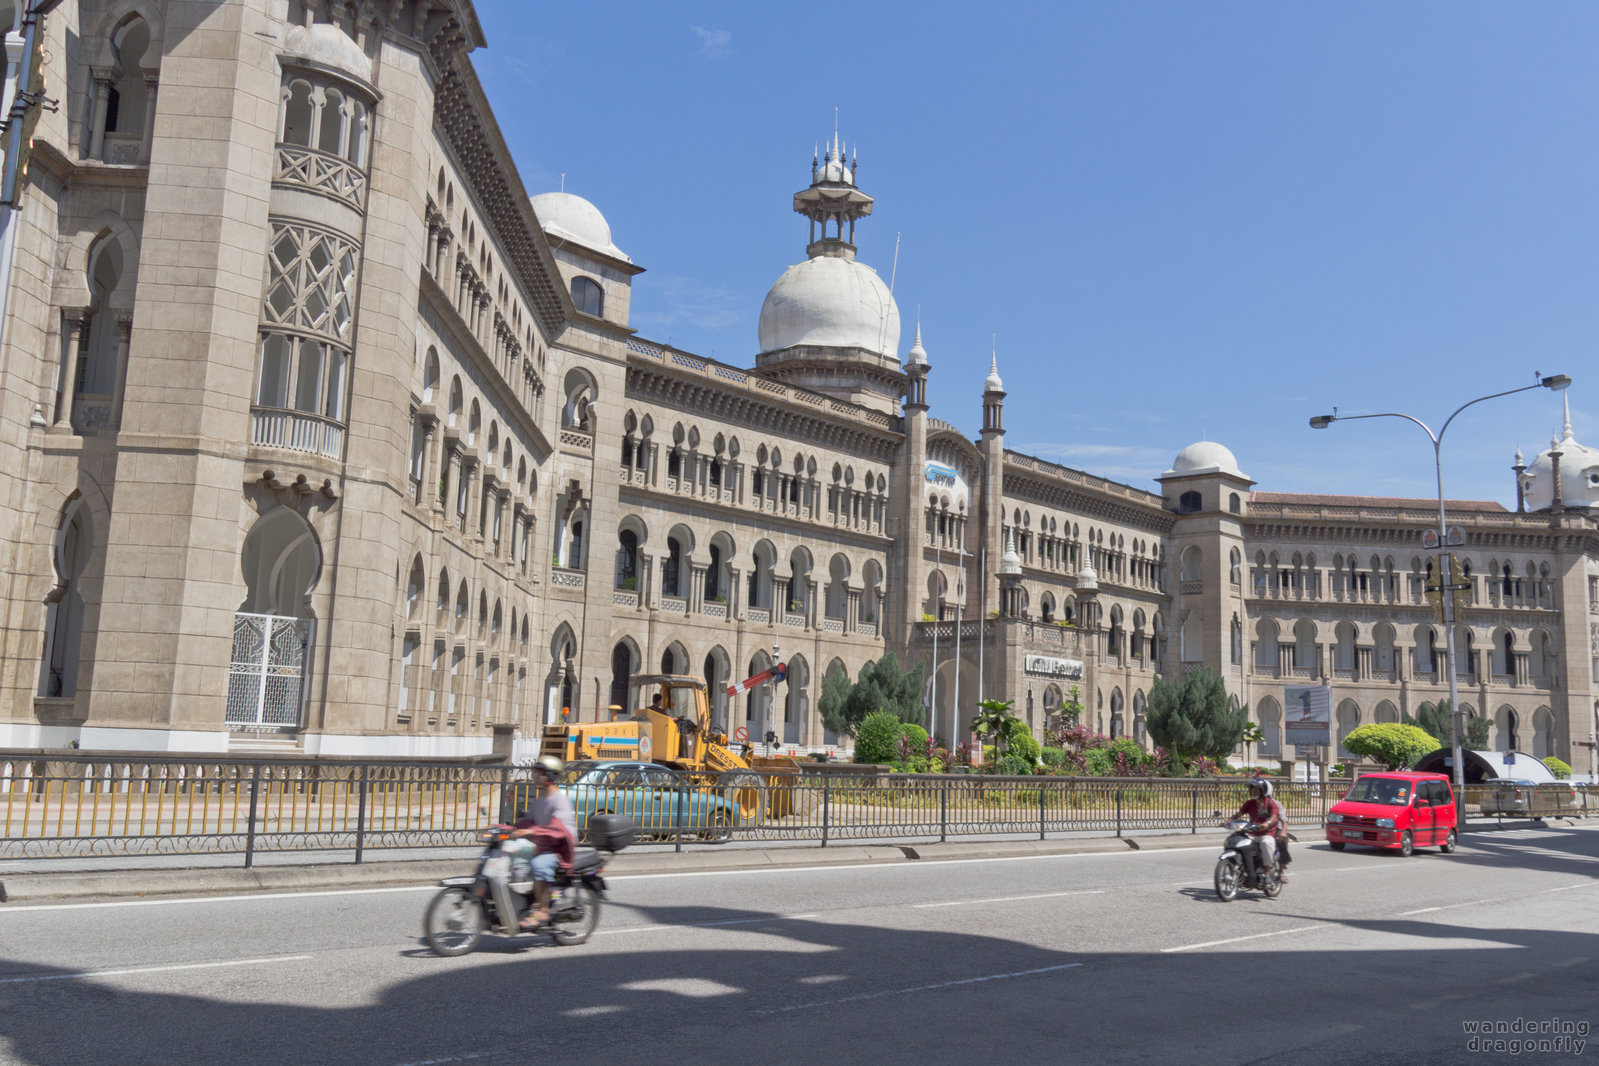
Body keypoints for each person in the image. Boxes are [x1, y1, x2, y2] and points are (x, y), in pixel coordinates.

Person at [508, 755, 576, 928]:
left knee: (539, 864)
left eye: (541, 774)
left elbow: (556, 828)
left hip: (558, 848)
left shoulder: (560, 800)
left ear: (551, 776)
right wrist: (507, 828)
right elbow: (528, 821)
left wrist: (530, 831)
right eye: (536, 774)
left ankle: (542, 910)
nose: (536, 777)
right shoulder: (540, 799)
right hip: (542, 844)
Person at [1234, 778, 1286, 882]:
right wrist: (1228, 821)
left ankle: (1267, 873)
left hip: (1267, 834)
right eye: (1253, 789)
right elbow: (1238, 814)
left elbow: (1274, 817)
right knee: (1238, 841)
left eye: (1257, 790)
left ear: (1264, 791)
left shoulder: (1271, 804)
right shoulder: (1250, 803)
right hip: (1252, 833)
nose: (1254, 792)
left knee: (1266, 843)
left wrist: (1268, 823)